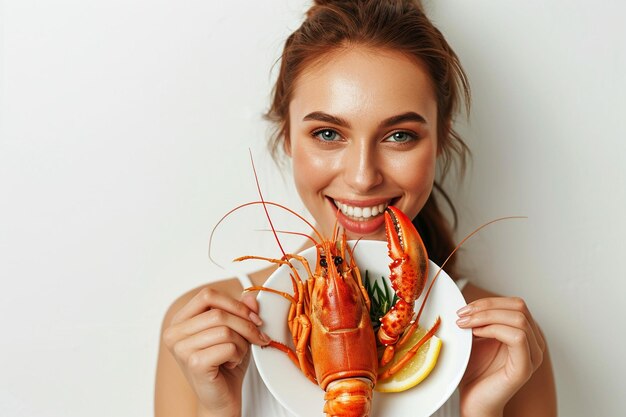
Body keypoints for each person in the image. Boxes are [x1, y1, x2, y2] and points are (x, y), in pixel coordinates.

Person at [154, 1, 557, 416]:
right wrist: (216, 410)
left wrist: (481, 412)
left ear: (439, 140)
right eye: (328, 133)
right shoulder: (200, 335)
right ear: (288, 137)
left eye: (400, 136)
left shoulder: (506, 347)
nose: (364, 177)